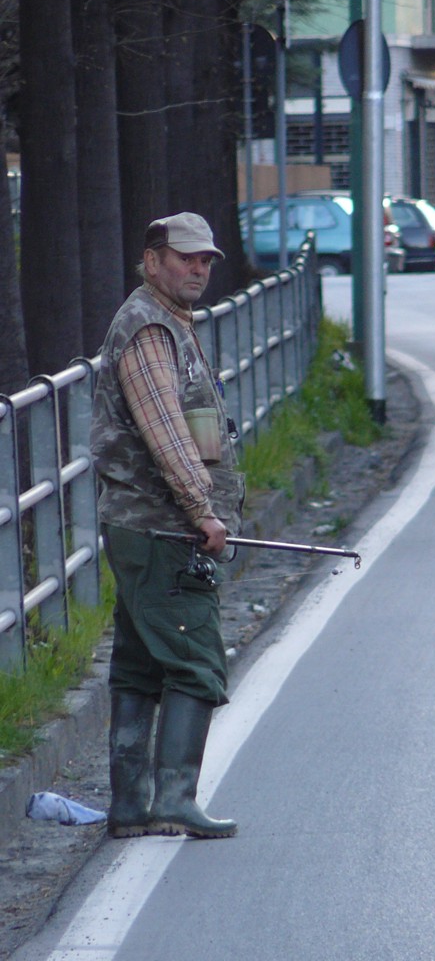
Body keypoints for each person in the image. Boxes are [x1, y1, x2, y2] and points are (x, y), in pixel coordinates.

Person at [90, 212, 245, 840]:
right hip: (161, 530)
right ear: (152, 260)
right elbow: (167, 434)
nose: (198, 270)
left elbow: (196, 424)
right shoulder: (150, 327)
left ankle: (130, 806)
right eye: (185, 258)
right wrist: (204, 511)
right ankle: (174, 799)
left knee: (139, 665)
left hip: (146, 527)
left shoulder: (170, 323)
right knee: (194, 660)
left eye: (206, 260)